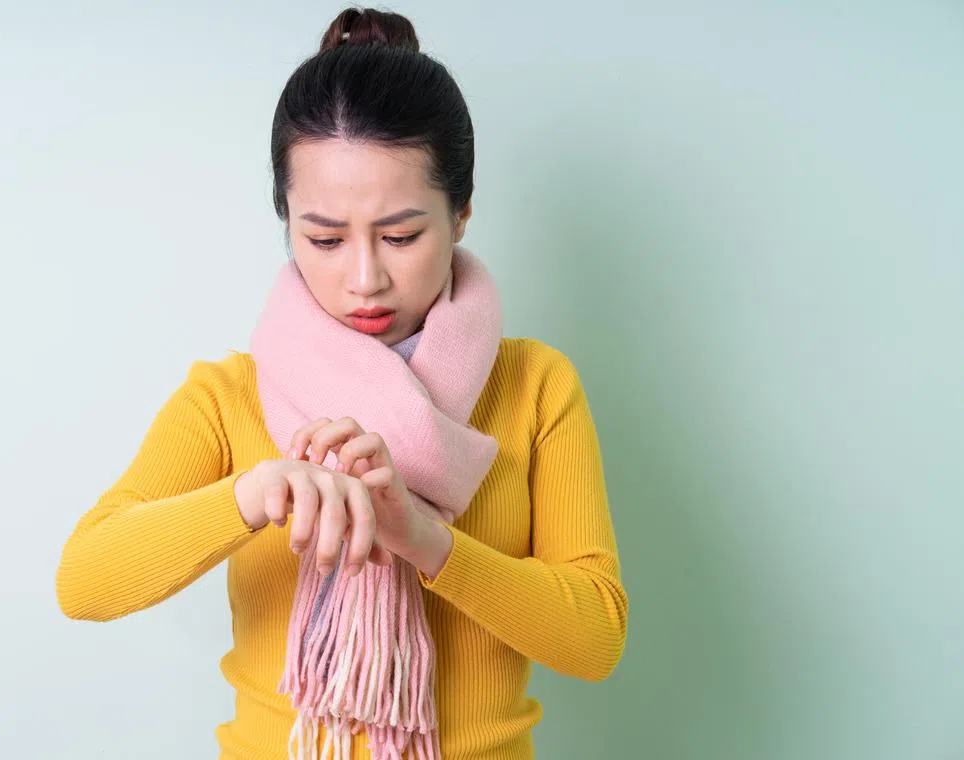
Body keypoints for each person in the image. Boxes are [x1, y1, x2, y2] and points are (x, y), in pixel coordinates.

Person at [55, 7, 628, 760]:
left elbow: (594, 637)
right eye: (323, 238)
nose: (364, 277)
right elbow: (85, 581)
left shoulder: (534, 387)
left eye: (401, 235)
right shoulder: (229, 398)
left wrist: (426, 541)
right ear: (286, 220)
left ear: (460, 214)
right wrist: (253, 494)